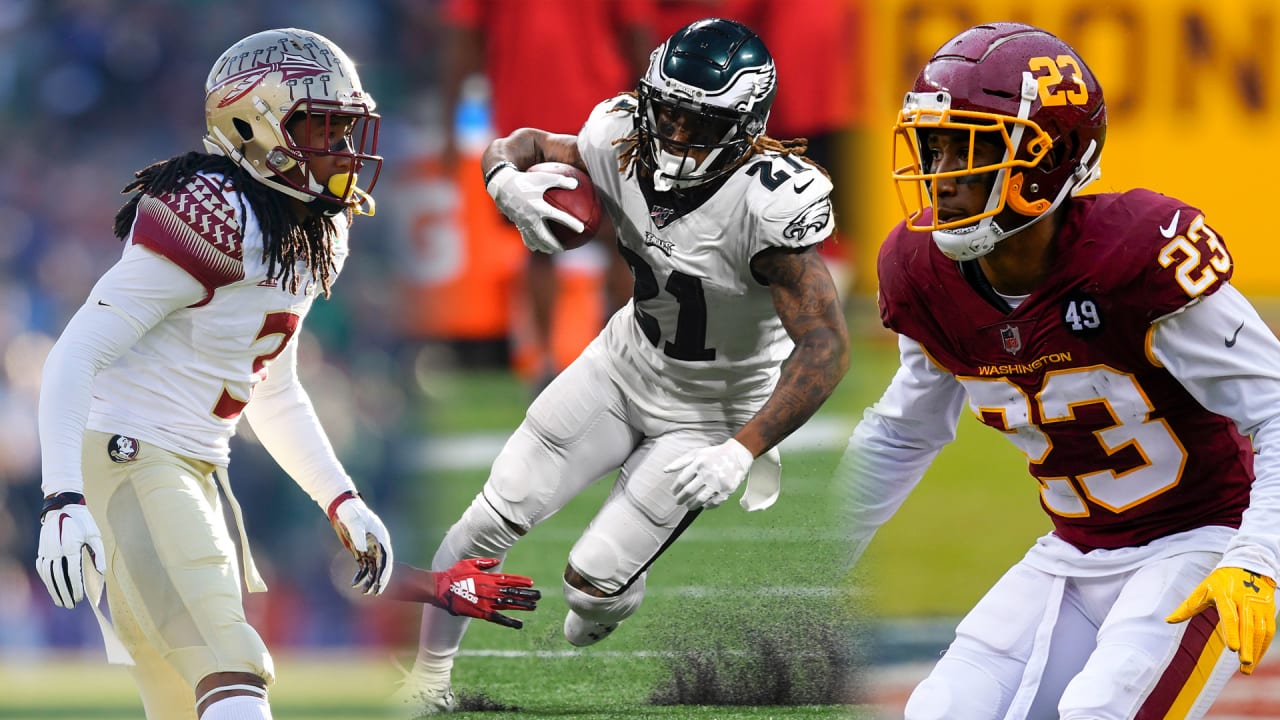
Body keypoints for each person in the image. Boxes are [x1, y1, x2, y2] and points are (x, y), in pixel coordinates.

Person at [34, 28, 538, 720]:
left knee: (187, 702)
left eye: (344, 126)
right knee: (231, 667)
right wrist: (62, 497)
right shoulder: (211, 208)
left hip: (195, 470)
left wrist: (343, 499)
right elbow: (75, 352)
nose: (341, 147)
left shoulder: (307, 225)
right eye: (322, 127)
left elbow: (273, 385)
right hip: (133, 458)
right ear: (253, 124)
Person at [395, 17, 850, 716]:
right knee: (489, 516)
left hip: (711, 412)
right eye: (664, 112)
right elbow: (514, 144)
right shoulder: (615, 137)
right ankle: (426, 682)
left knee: (592, 588)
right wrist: (502, 181)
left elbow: (826, 346)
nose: (673, 135)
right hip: (621, 366)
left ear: (745, 125)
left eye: (698, 123)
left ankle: (607, 598)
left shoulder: (769, 204)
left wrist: (743, 448)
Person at [838, 22, 1280, 719]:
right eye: (936, 148)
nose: (943, 177)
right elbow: (902, 433)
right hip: (1069, 554)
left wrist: (1258, 558)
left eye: (972, 150)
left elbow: (1275, 406)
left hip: (1199, 543)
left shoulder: (1137, 255)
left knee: (1100, 711)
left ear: (1050, 161)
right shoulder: (921, 272)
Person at [438, 0, 654, 391]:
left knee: (594, 242)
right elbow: (464, 34)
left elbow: (637, 30)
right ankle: (566, 362)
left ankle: (595, 359)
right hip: (562, 116)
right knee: (563, 244)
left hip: (577, 116)